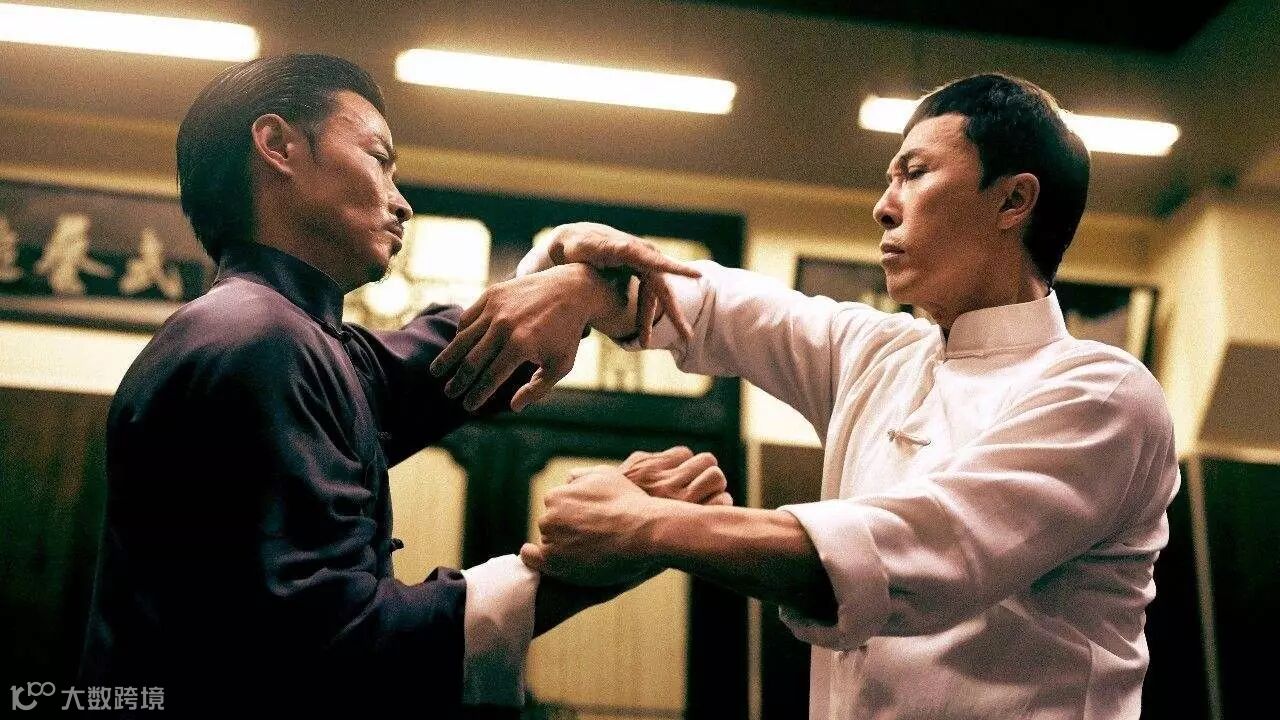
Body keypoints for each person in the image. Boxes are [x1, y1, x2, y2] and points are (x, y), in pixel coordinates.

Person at [434, 73, 1181, 719]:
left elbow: (922, 554)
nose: (883, 206)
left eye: (914, 174)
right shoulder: (881, 354)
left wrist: (650, 526)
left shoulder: (1103, 392)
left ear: (1013, 199)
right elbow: (713, 304)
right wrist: (576, 280)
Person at [79, 53, 725, 716]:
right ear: (277, 145)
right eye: (378, 159)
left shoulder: (277, 332)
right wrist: (577, 567)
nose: (402, 201)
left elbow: (442, 360)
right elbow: (332, 646)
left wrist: (567, 287)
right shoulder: (256, 339)